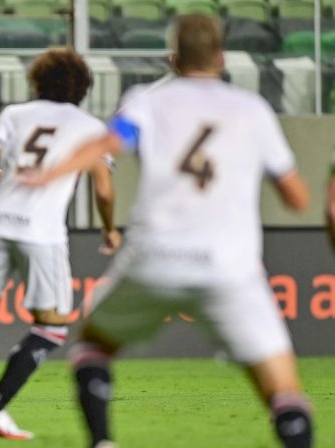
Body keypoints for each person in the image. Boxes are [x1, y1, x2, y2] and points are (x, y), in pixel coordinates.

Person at [23, 14, 312, 448]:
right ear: (222, 57)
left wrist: (52, 172)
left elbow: (108, 143)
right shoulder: (252, 110)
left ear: (173, 58)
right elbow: (295, 197)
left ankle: (103, 442)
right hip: (228, 267)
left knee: (92, 348)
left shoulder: (146, 101)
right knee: (284, 393)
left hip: (155, 259)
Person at [0, 47, 121, 440]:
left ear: (38, 79)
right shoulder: (90, 127)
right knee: (52, 327)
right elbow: (104, 188)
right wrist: (109, 228)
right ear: (82, 86)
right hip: (41, 233)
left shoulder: (15, 113)